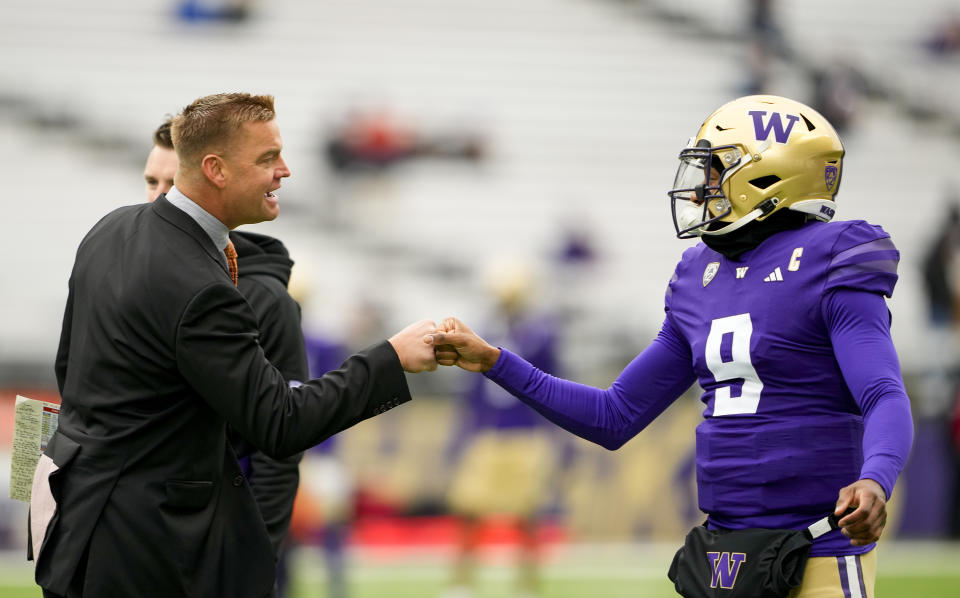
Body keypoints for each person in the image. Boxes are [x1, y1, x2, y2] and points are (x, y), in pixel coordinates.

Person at [429, 95, 914, 598]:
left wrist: (875, 479)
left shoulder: (834, 256)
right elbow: (613, 416)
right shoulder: (697, 276)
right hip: (727, 551)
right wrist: (494, 362)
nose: (701, 188)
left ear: (767, 178)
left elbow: (882, 393)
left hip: (819, 547)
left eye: (715, 170)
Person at [29, 92, 438, 598]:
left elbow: (67, 375)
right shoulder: (204, 286)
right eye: (268, 158)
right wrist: (391, 360)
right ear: (216, 170)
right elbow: (279, 424)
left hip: (73, 529)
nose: (285, 170)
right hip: (150, 552)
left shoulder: (107, 230)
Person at [144, 119, 307, 583]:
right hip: (130, 534)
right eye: (151, 183)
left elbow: (279, 447)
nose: (157, 198)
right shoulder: (124, 269)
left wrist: (257, 563)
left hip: (210, 544)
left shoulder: (265, 301)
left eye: (172, 185)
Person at [443, 265, 561, 598]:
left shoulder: (540, 333)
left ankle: (527, 584)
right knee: (469, 511)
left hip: (525, 433)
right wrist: (465, 430)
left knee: (528, 514)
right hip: (489, 433)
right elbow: (471, 390)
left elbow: (553, 384)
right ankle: (462, 582)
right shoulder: (483, 330)